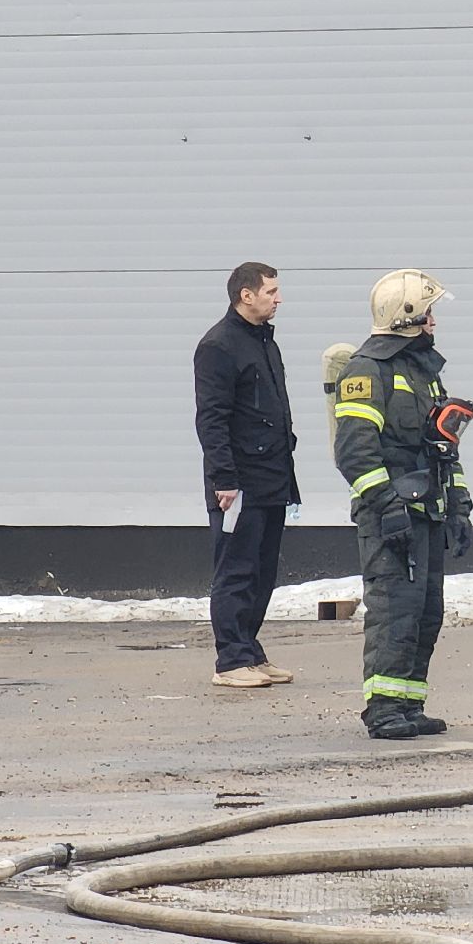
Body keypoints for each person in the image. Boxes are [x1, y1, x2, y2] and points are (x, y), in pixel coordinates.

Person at [332, 269, 473, 739]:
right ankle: (384, 709)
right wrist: (386, 503)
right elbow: (355, 451)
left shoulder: (423, 371)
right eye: (428, 311)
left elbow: (442, 447)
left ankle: (410, 702)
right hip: (390, 517)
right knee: (394, 609)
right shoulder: (366, 371)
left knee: (424, 612)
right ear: (407, 316)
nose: (434, 320)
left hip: (427, 512)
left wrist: (459, 506)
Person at [193, 262, 301, 689]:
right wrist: (224, 479)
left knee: (262, 569)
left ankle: (250, 651)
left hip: (272, 475)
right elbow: (212, 419)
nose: (278, 298)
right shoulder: (219, 346)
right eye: (271, 291)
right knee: (236, 569)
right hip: (238, 482)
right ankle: (230, 660)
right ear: (245, 295)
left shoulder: (263, 342)